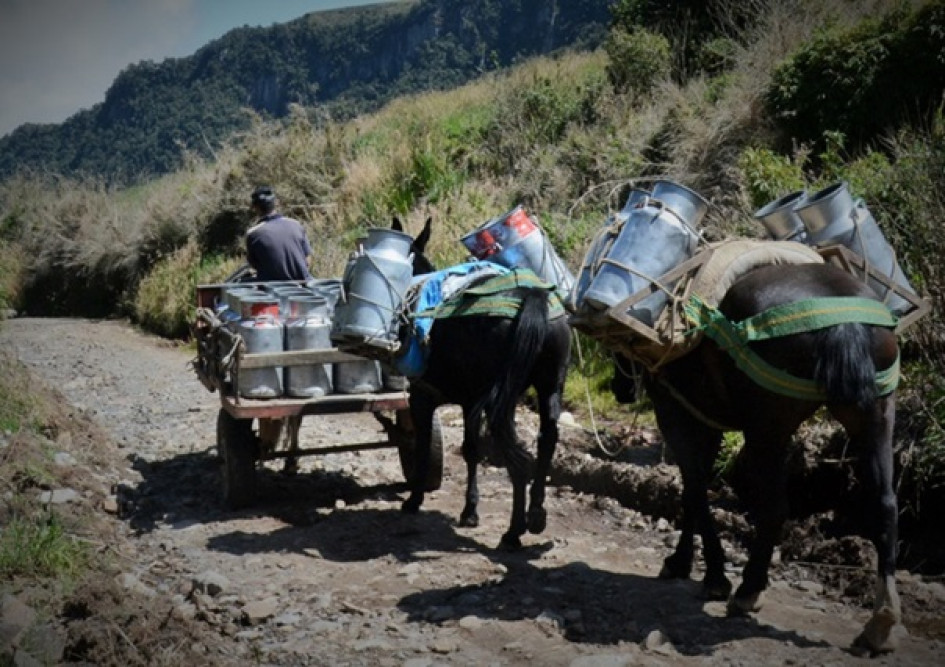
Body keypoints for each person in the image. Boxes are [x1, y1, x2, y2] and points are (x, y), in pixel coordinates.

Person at [245, 185, 314, 281]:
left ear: (255, 207)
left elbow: (255, 265)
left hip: (273, 287)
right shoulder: (296, 224)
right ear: (276, 203)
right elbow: (308, 260)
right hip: (305, 283)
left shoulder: (253, 234)